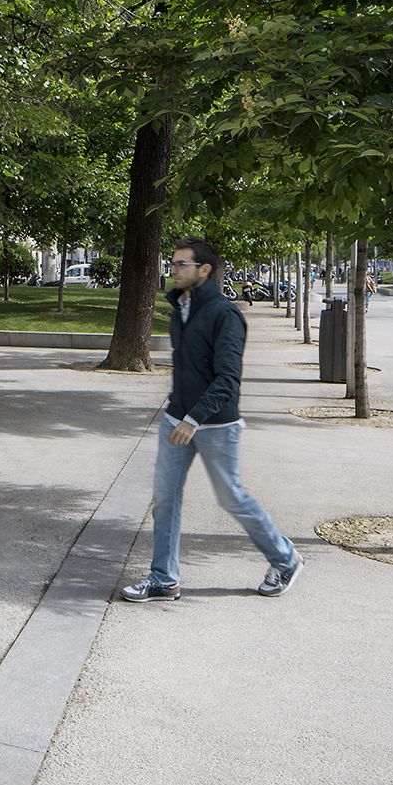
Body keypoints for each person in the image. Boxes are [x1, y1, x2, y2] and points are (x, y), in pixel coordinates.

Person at [121, 239, 301, 604]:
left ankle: (285, 559)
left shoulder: (224, 315)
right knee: (165, 499)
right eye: (172, 264)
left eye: (180, 265)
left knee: (231, 498)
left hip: (216, 425)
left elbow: (228, 379)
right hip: (177, 419)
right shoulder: (180, 308)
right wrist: (179, 411)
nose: (172, 270)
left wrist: (194, 418)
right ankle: (164, 579)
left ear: (204, 270)